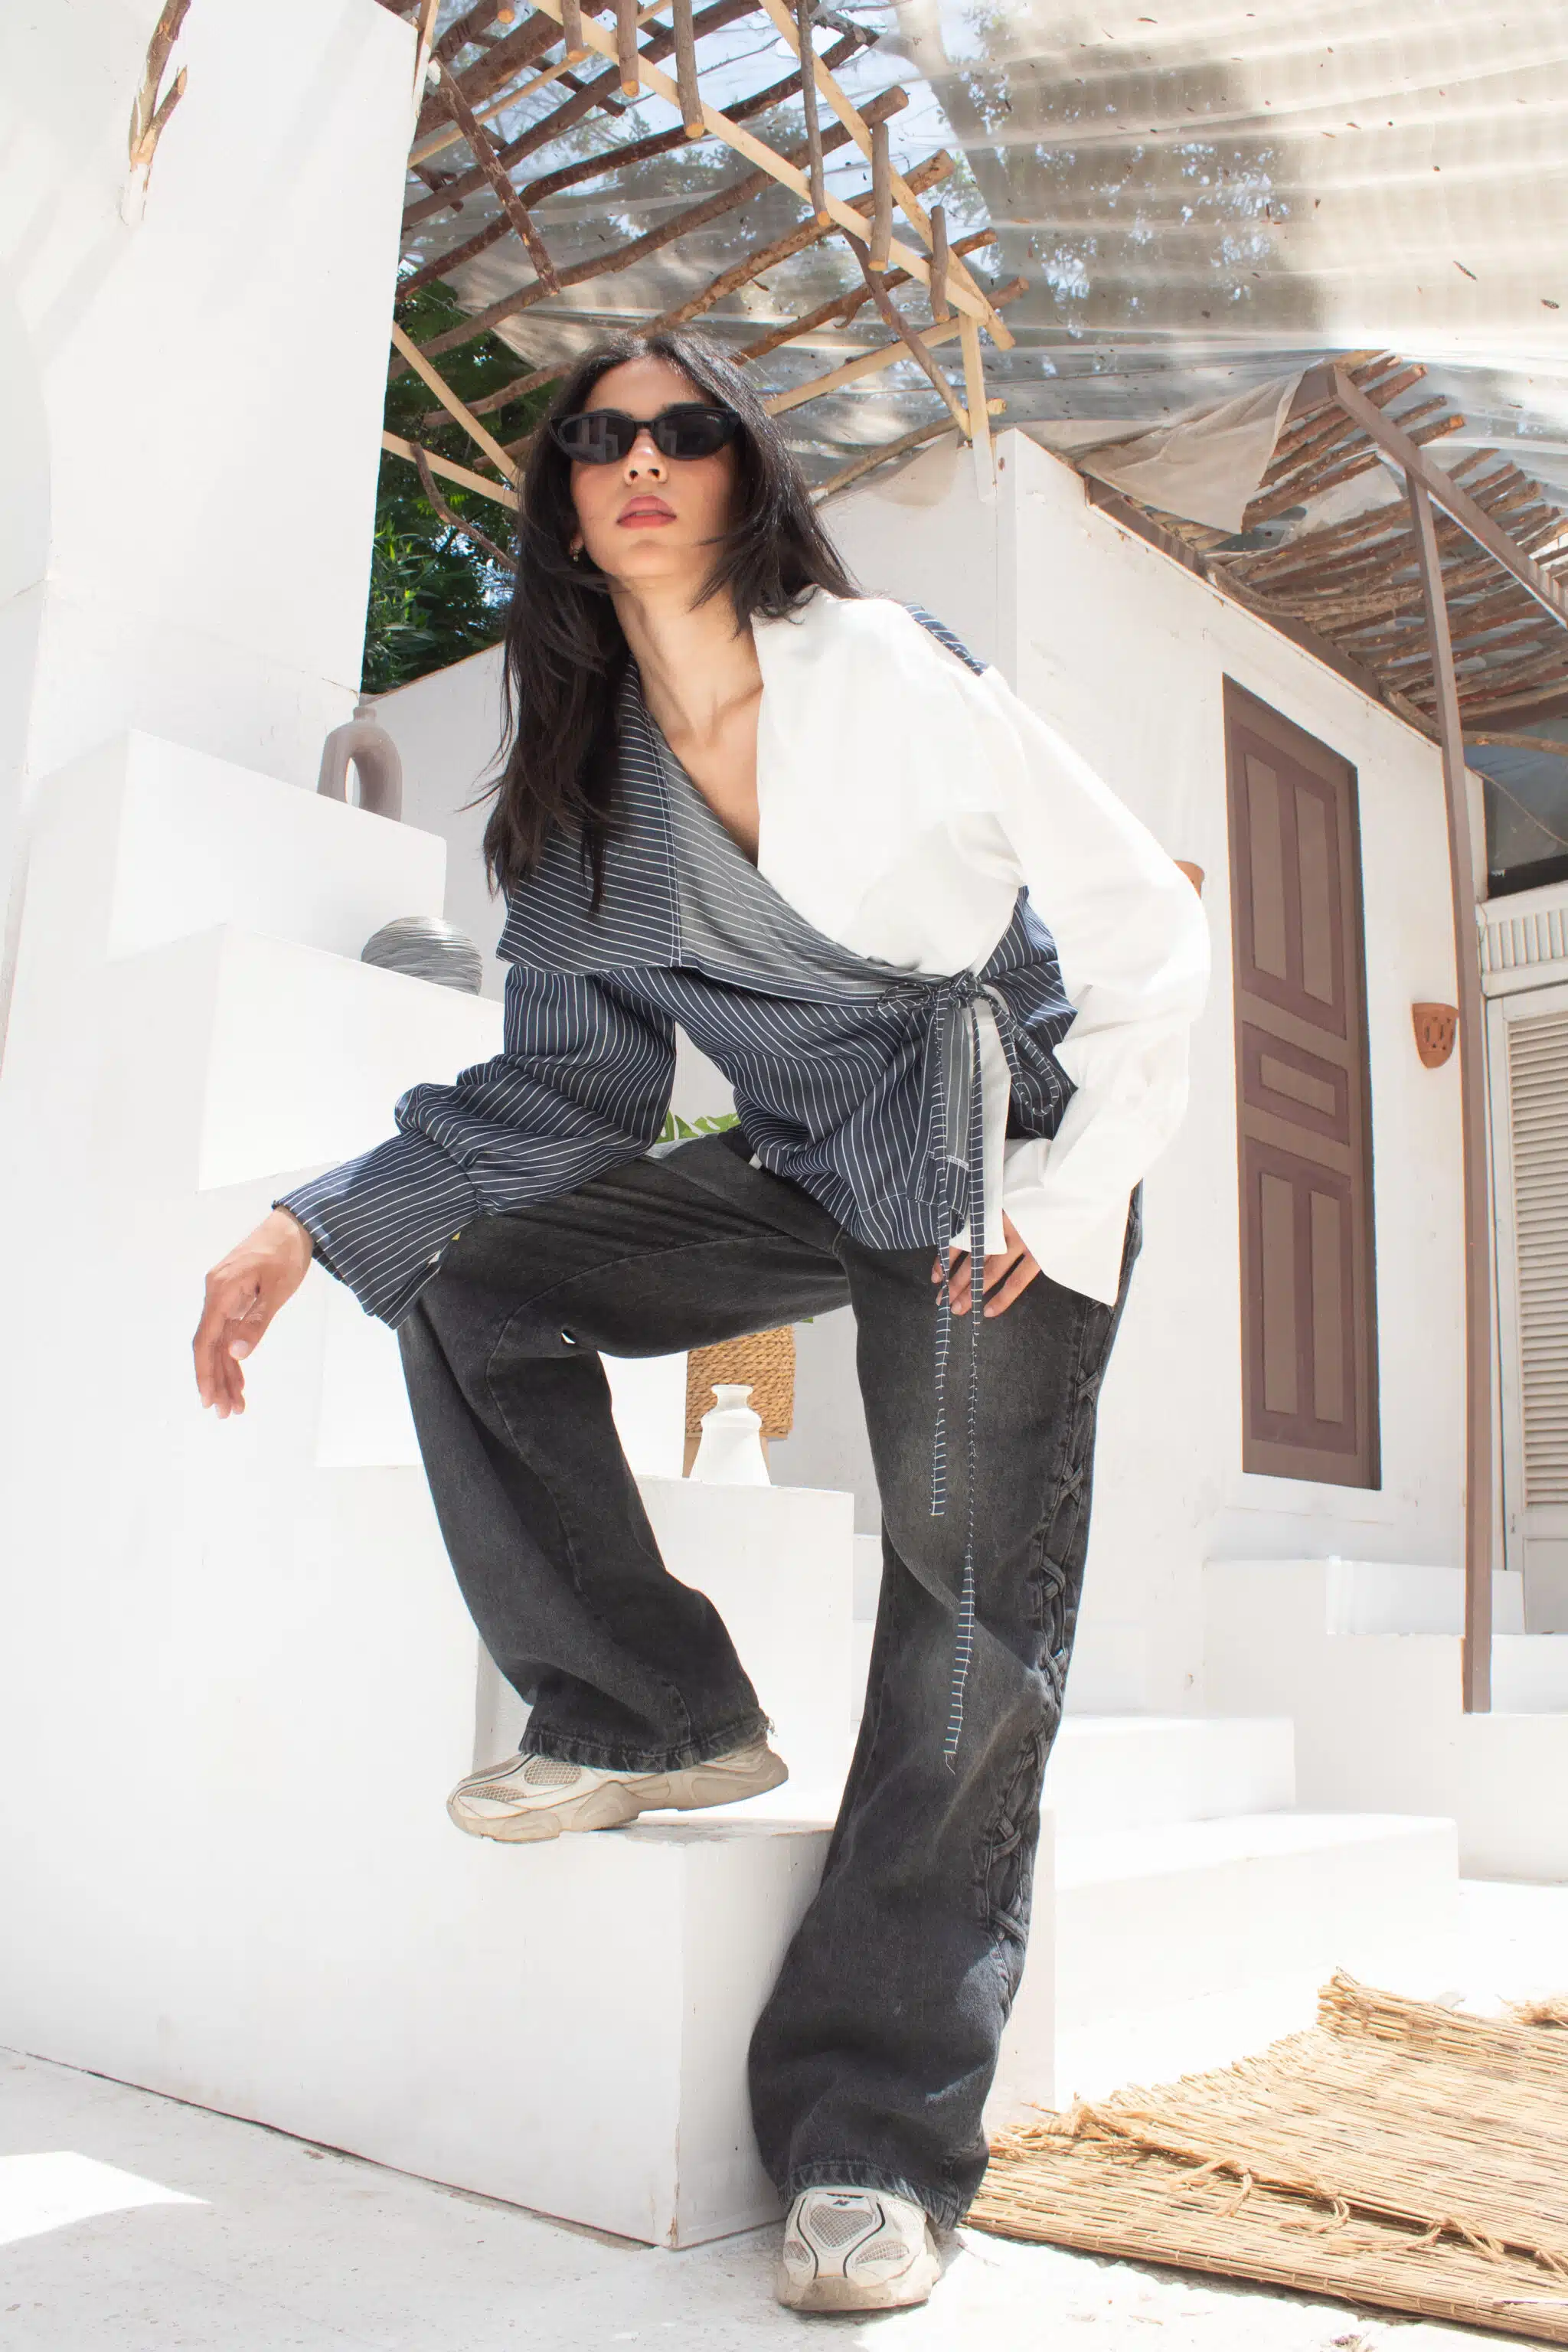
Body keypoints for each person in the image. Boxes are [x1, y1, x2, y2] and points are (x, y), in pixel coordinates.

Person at [192, 327, 1208, 2316]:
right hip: (810, 1160)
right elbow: (563, 1095)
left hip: (1001, 1163)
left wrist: (1070, 1192)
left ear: (745, 473)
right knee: (468, 1267)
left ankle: (869, 2149)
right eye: (601, 437)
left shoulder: (884, 672)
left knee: (966, 1620)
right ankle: (652, 1710)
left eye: (685, 429)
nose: (642, 458)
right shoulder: (585, 808)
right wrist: (315, 1222)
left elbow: (1142, 924)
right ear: (566, 502)